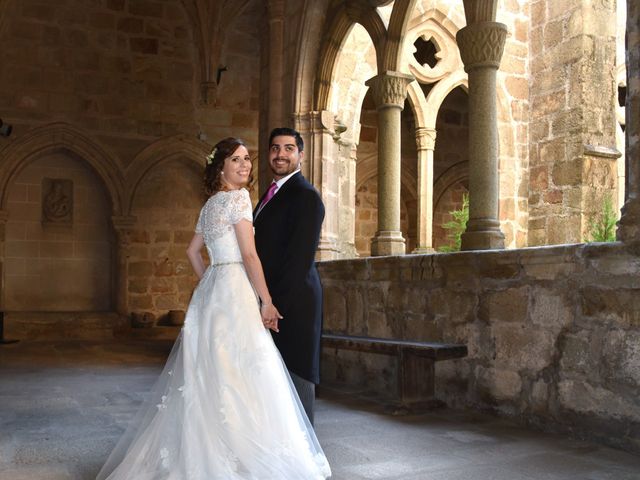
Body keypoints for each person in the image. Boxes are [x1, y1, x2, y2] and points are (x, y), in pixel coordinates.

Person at [96, 137, 331, 480]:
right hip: (235, 289)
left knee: (209, 372)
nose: (245, 165)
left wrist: (210, 279)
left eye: (247, 159)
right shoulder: (238, 199)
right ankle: (241, 450)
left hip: (212, 293)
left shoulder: (209, 205)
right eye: (236, 160)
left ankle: (204, 447)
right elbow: (250, 256)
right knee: (243, 370)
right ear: (220, 166)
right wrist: (265, 300)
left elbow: (192, 252)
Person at [253, 127, 325, 425]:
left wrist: (273, 305)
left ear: (301, 155)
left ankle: (304, 455)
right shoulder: (271, 194)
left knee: (296, 376)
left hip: (293, 302)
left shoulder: (305, 196)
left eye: (288, 148)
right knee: (273, 379)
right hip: (272, 301)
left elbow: (299, 260)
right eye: (275, 148)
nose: (280, 154)